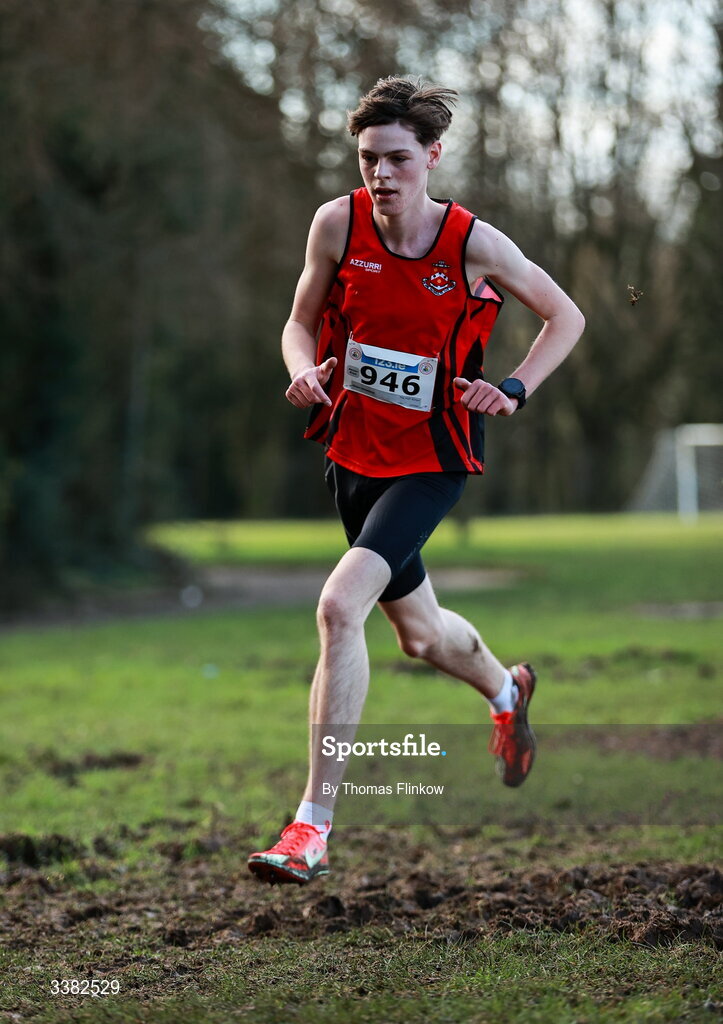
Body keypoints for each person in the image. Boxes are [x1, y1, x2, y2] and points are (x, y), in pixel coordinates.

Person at [248, 76, 585, 885]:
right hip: (352, 455)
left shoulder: (472, 244)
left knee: (339, 607)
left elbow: (564, 315)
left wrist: (509, 388)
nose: (381, 175)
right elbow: (299, 321)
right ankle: (508, 690)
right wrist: (302, 371)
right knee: (420, 635)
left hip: (432, 460)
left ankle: (310, 828)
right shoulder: (336, 224)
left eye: (398, 158)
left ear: (432, 157)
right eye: (369, 159)